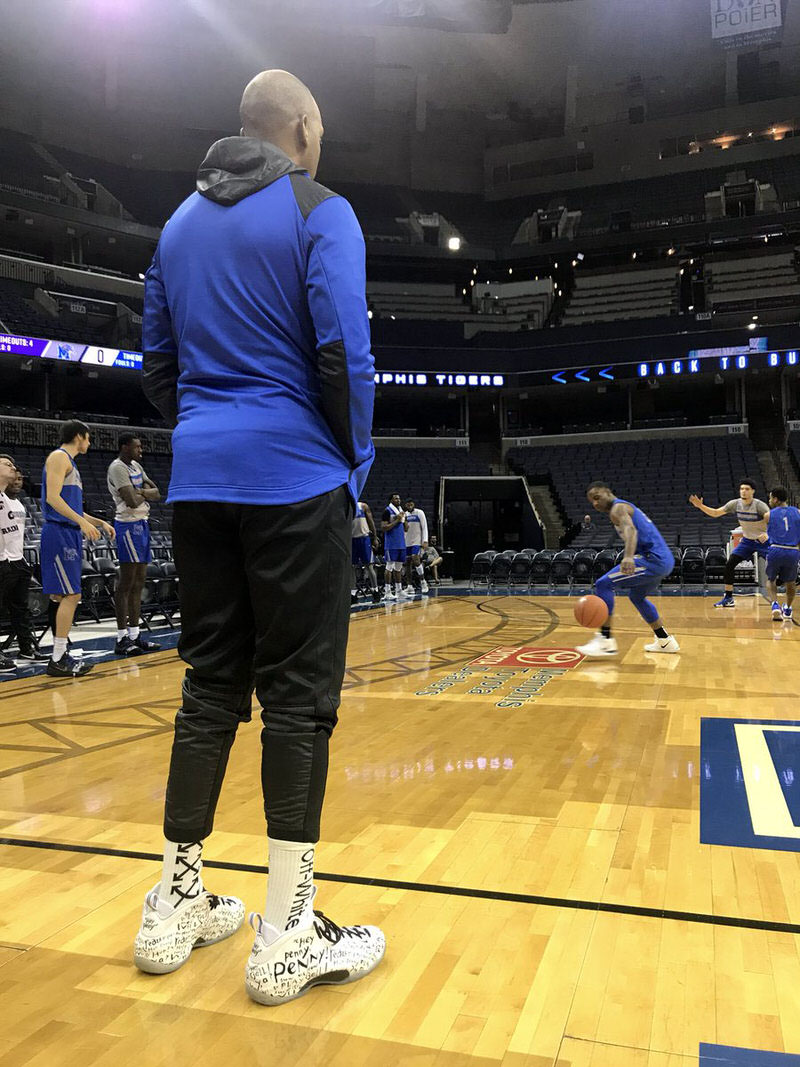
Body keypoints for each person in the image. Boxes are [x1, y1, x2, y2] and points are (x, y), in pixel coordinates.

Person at [138, 70, 384, 1003]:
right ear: (303, 129)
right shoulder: (321, 208)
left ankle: (174, 903)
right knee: (297, 699)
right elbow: (343, 353)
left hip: (199, 483)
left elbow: (158, 367)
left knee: (209, 687)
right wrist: (350, 460)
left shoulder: (172, 227)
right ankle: (286, 931)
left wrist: (204, 433)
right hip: (295, 481)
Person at [41, 421, 115, 678]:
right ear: (79, 436)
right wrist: (81, 522)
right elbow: (53, 498)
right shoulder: (59, 457)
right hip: (59, 533)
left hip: (68, 531)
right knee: (71, 595)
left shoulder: (70, 463)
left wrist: (97, 521)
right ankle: (58, 657)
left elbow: (69, 504)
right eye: (88, 438)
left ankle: (60, 655)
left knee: (66, 596)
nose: (90, 443)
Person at [577, 482, 679, 657]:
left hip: (653, 560)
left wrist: (629, 557)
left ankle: (605, 640)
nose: (595, 504)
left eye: (597, 497)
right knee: (637, 597)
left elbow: (631, 531)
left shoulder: (618, 508)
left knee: (603, 584)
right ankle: (665, 640)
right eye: (591, 501)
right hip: (664, 560)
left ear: (608, 492)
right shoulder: (623, 507)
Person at [107, 433, 162, 656]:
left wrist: (138, 491)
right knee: (126, 583)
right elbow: (130, 500)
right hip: (127, 526)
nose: (141, 450)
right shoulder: (117, 467)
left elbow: (157, 494)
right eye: (137, 447)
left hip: (142, 524)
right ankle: (121, 638)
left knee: (139, 582)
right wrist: (141, 493)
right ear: (124, 447)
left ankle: (135, 635)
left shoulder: (137, 466)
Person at [689, 480, 768, 607]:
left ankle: (783, 593)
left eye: (747, 489)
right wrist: (700, 506)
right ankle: (728, 597)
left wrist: (768, 533)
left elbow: (773, 521)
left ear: (753, 491)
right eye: (742, 488)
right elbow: (715, 513)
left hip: (763, 541)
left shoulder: (759, 506)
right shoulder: (735, 504)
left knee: (776, 565)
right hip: (747, 540)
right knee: (730, 564)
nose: (743, 491)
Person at [0, 465, 49, 667]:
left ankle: (27, 649)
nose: (18, 482)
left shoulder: (20, 505)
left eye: (21, 479)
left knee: (21, 608)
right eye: (14, 478)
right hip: (4, 561)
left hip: (19, 560)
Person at [764, 487, 800, 621]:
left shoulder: (768, 515)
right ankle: (788, 608)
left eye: (770, 498)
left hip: (776, 548)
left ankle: (774, 605)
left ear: (775, 499)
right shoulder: (798, 512)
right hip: (793, 550)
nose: (769, 501)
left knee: (771, 579)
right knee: (791, 582)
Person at [351, 500, 381, 604]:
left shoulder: (363, 506)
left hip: (364, 538)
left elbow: (371, 522)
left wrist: (375, 537)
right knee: (352, 567)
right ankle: (353, 594)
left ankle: (375, 591)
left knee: (369, 565)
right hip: (352, 539)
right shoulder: (345, 506)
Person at [381, 493, 408, 602]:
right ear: (391, 500)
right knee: (389, 567)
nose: (398, 500)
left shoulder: (400, 512)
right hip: (391, 544)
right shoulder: (387, 511)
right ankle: (387, 591)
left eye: (399, 498)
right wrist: (397, 520)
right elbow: (383, 527)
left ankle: (398, 590)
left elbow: (406, 528)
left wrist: (403, 519)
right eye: (396, 498)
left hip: (401, 543)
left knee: (398, 568)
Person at [403, 499, 429, 596]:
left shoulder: (419, 512)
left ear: (413, 504)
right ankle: (409, 586)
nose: (410, 506)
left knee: (416, 560)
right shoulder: (404, 515)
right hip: (406, 542)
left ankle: (423, 582)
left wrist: (425, 540)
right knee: (407, 564)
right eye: (408, 504)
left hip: (416, 541)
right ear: (406, 505)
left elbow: (424, 527)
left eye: (411, 504)